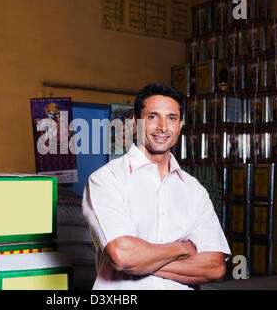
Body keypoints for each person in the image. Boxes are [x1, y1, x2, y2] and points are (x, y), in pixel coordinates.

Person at [82, 83, 231, 290]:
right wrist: (183, 248)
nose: (163, 127)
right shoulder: (106, 179)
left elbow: (215, 268)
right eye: (152, 117)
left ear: (180, 125)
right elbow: (123, 256)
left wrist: (142, 262)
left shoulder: (193, 189)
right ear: (136, 123)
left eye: (171, 118)